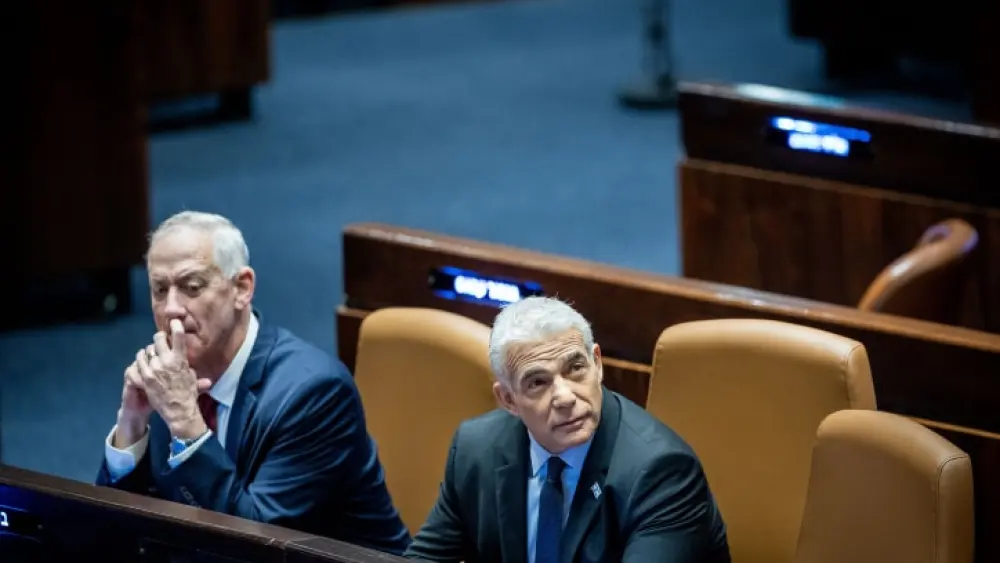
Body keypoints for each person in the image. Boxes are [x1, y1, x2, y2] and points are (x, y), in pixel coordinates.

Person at [96, 210, 410, 555]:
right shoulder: (173, 377)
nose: (171, 308)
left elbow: (256, 547)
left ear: (242, 288)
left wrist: (186, 424)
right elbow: (121, 537)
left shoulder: (313, 393)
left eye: (191, 287)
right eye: (159, 290)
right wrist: (132, 425)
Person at [404, 297, 730, 563]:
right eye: (538, 382)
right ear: (508, 399)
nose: (564, 397)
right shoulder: (477, 449)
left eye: (575, 368)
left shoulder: (661, 473)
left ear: (597, 364)